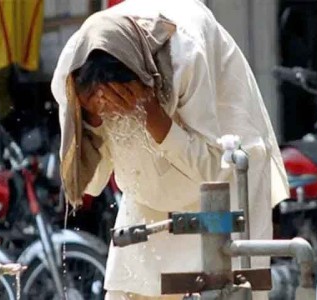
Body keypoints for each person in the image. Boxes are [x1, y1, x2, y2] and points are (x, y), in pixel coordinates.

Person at [51, 0, 289, 299]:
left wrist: (153, 115)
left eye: (119, 98)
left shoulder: (186, 56)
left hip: (224, 183)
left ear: (141, 80)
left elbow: (213, 169)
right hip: (149, 195)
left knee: (227, 290)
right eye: (99, 102)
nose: (111, 106)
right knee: (127, 292)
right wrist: (94, 121)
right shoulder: (72, 77)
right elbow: (89, 183)